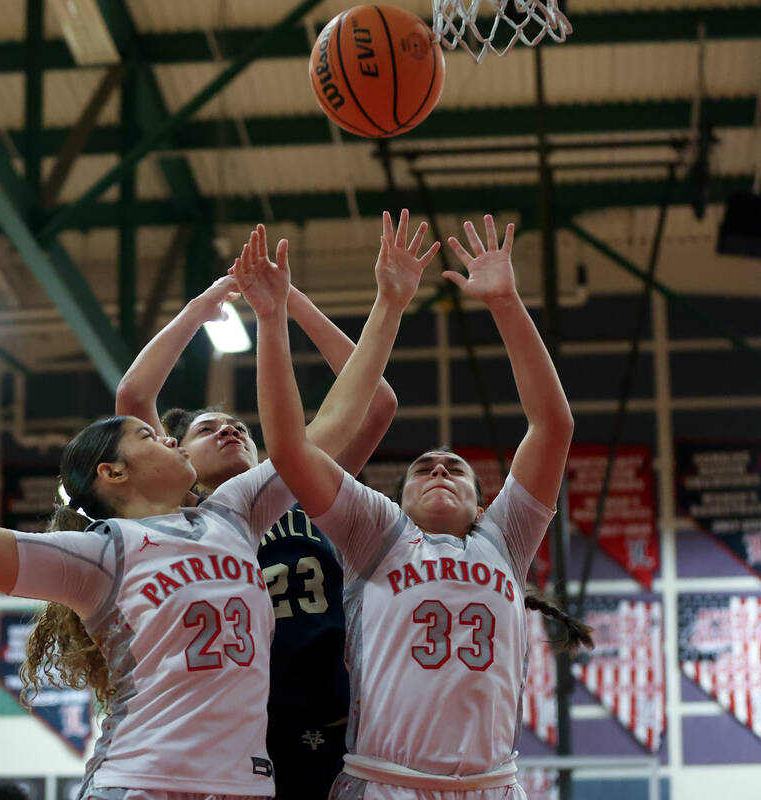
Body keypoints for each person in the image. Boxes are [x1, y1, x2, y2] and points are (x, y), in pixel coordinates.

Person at [0, 327, 368, 800]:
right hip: (140, 780)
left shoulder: (236, 513)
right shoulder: (101, 552)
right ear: (113, 473)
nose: (171, 442)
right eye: (149, 435)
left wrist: (364, 303)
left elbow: (336, 422)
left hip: (245, 786)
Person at [241, 214, 591, 799]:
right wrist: (286, 318)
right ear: (396, 498)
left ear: (484, 503)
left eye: (453, 467)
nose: (437, 470)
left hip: (492, 785)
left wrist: (505, 302)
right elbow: (290, 450)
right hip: (386, 783)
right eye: (421, 469)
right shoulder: (379, 533)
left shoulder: (505, 538)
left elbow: (553, 425)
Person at [112, 218, 438, 800]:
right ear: (173, 452)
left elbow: (377, 403)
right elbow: (134, 400)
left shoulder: (296, 488)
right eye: (208, 428)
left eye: (239, 426)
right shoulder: (176, 517)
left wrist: (286, 301)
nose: (231, 429)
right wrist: (198, 308)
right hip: (233, 724)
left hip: (335, 717)